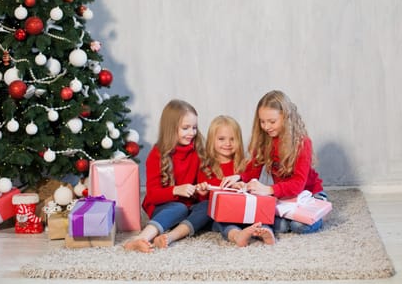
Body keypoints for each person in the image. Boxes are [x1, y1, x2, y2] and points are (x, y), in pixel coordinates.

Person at [221, 90, 326, 235]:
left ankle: (320, 214)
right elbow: (254, 168)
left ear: (286, 118)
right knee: (276, 225)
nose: (266, 126)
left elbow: (298, 184)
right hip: (286, 198)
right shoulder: (266, 140)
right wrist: (239, 178)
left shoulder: (302, 143)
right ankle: (290, 218)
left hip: (309, 194)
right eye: (262, 121)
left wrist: (269, 190)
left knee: (299, 226)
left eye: (272, 121)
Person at [123, 99, 206, 252]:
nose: (192, 133)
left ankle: (169, 237)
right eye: (185, 128)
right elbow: (152, 195)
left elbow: (200, 187)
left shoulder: (198, 151)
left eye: (194, 128)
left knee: (209, 207)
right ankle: (140, 238)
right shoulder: (157, 155)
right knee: (179, 208)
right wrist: (176, 190)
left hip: (189, 207)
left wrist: (202, 190)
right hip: (165, 206)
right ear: (171, 129)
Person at [200, 115, 276, 247]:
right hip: (225, 214)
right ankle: (237, 235)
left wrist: (243, 184)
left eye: (232, 139)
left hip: (244, 210)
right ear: (212, 140)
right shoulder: (206, 166)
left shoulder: (245, 164)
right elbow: (205, 197)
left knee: (259, 213)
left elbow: (253, 179)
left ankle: (266, 231)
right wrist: (205, 191)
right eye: (221, 139)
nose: (228, 144)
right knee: (222, 222)